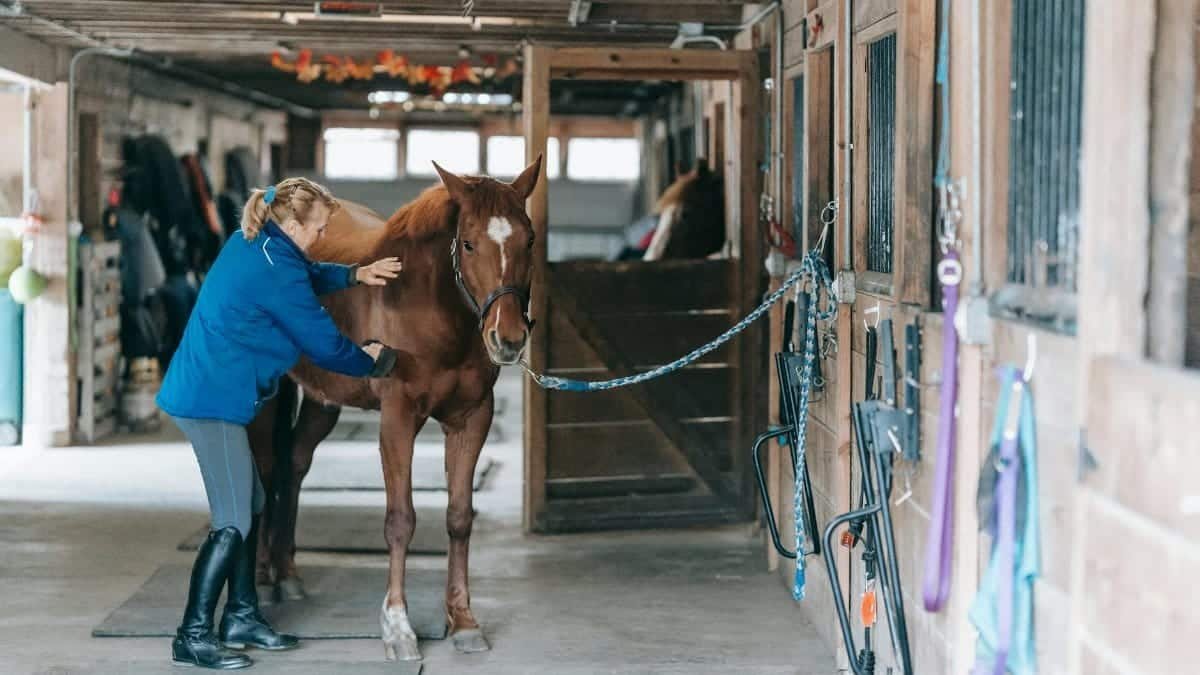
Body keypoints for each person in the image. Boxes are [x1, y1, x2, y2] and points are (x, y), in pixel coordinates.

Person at [156, 177, 404, 670]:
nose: (319, 237)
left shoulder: (262, 242)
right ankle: (193, 634)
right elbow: (324, 343)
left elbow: (309, 272)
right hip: (212, 400)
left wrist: (356, 275)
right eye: (317, 228)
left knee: (248, 502)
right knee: (232, 520)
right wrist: (372, 363)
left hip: (217, 388)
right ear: (293, 224)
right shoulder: (275, 269)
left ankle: (242, 616)